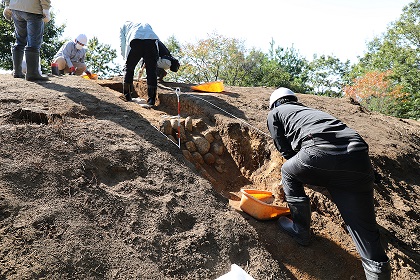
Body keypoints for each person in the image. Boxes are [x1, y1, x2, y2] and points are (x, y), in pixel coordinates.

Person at [266, 87, 391, 280]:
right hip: (359, 159)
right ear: (294, 99)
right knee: (365, 233)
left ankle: (300, 230)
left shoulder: (275, 112)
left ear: (274, 104)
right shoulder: (311, 112)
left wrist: (302, 166)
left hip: (320, 153)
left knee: (288, 172)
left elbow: (284, 148)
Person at [3, 0, 51, 81]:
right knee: (34, 42)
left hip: (15, 8)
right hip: (33, 9)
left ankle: (17, 72)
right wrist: (46, 8)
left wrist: (7, 5)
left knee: (20, 40)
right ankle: (32, 74)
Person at [120, 21, 159, 105]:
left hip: (135, 41)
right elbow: (153, 43)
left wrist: (126, 60)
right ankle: (151, 100)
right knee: (152, 70)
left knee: (129, 68)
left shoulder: (123, 26)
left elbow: (122, 43)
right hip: (151, 41)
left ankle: (127, 96)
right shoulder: (146, 24)